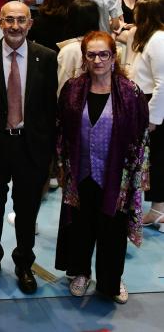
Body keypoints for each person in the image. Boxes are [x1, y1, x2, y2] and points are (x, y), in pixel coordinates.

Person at [0, 1, 58, 294]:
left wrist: (49, 150)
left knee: (27, 208)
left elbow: (50, 108)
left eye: (21, 20)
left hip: (31, 147)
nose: (15, 26)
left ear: (30, 24)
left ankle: (24, 263)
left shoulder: (47, 57)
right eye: (9, 20)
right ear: (1, 22)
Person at [56, 31, 149, 305]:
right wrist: (62, 166)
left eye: (103, 54)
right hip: (81, 172)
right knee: (81, 225)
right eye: (91, 54)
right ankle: (80, 273)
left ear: (113, 56)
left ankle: (110, 279)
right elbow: (61, 128)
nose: (97, 60)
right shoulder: (72, 89)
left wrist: (136, 175)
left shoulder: (131, 93)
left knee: (112, 229)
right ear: (84, 56)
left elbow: (141, 135)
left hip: (116, 176)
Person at [130, 0, 164, 229]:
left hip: (153, 105)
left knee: (157, 160)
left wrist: (153, 118)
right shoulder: (150, 38)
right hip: (147, 102)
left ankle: (158, 210)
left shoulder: (158, 39)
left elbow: (163, 82)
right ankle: (157, 209)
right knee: (154, 161)